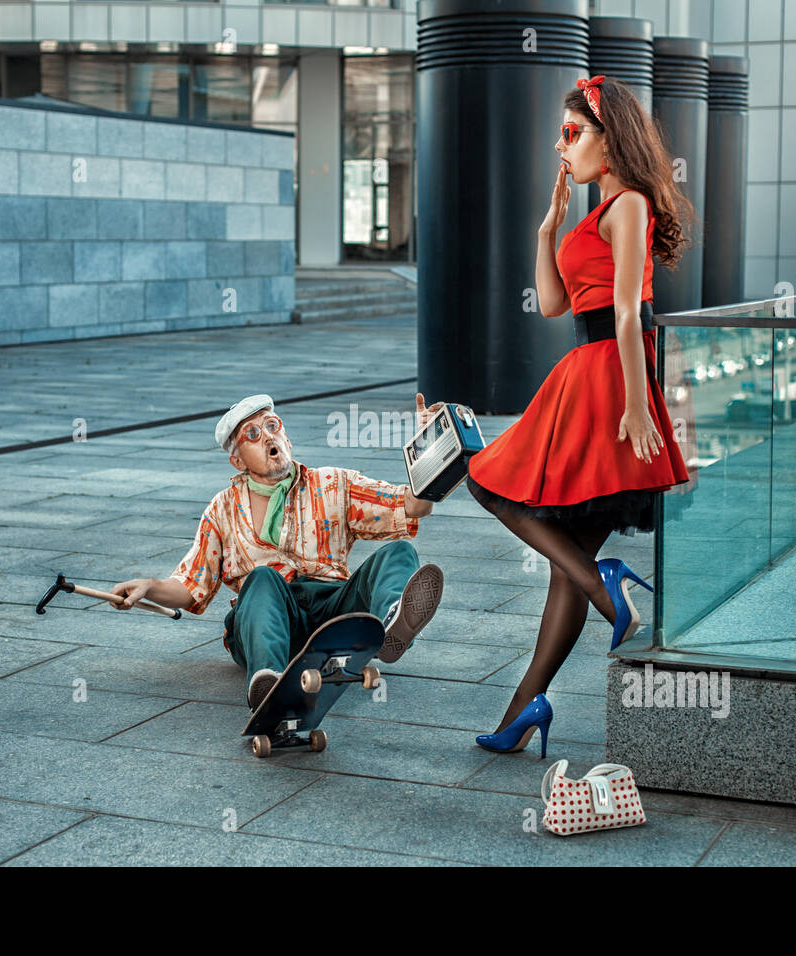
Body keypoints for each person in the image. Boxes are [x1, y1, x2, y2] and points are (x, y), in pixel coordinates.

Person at [464, 75, 693, 757]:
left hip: (605, 380)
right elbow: (555, 302)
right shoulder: (596, 212)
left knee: (493, 484)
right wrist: (548, 228)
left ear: (610, 139)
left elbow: (627, 312)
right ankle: (525, 707)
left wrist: (633, 404)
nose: (561, 147)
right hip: (592, 373)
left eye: (573, 133)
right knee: (568, 557)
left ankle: (606, 585)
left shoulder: (628, 205)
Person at [109, 393, 446, 711]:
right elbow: (190, 586)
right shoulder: (222, 509)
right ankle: (268, 681)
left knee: (399, 552)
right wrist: (147, 587)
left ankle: (389, 627)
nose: (268, 436)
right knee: (262, 577)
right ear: (238, 460)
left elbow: (413, 506)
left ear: (288, 439)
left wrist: (430, 451)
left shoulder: (332, 484)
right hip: (265, 619)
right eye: (252, 434)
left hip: (333, 612)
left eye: (273, 426)